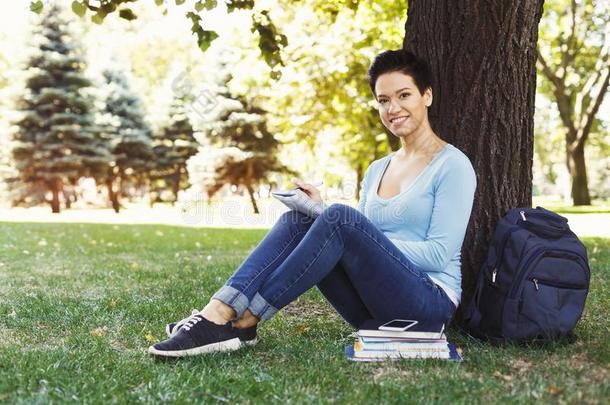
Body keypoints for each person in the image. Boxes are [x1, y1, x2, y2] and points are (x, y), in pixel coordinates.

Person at [148, 49, 477, 358]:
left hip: (427, 305)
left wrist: (344, 225)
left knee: (337, 218)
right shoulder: (379, 168)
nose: (393, 109)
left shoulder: (452, 165)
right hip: (371, 308)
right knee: (301, 219)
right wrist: (324, 215)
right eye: (383, 100)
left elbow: (437, 254)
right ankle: (221, 309)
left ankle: (242, 319)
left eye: (404, 95)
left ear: (427, 96)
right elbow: (365, 240)